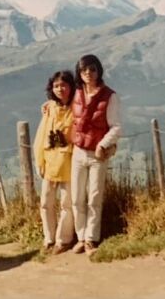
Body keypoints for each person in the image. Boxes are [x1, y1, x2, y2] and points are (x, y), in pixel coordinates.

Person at [70, 54, 122, 255]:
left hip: (96, 155)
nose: (88, 74)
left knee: (94, 197)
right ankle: (80, 237)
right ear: (79, 73)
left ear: (99, 70)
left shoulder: (110, 96)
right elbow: (62, 105)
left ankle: (91, 239)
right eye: (84, 70)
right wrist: (47, 105)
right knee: (76, 198)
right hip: (78, 152)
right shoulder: (77, 93)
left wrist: (103, 145)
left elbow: (116, 127)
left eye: (92, 69)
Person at [34, 70, 75, 254]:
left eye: (64, 85)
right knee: (46, 202)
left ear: (71, 87)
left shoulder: (76, 107)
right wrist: (39, 160)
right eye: (57, 86)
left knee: (67, 203)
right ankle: (48, 238)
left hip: (69, 162)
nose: (60, 89)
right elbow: (41, 135)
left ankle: (63, 239)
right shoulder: (49, 108)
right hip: (50, 161)